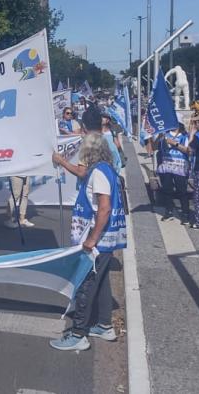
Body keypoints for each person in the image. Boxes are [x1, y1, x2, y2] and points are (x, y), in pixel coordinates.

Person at [49, 105, 127, 352]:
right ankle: (104, 325)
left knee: (86, 284)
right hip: (105, 240)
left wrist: (91, 239)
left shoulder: (98, 174)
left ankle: (79, 333)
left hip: (98, 240)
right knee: (102, 281)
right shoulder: (104, 170)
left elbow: (103, 209)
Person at [155, 123, 191, 224]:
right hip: (166, 166)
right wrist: (160, 138)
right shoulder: (165, 134)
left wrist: (174, 143)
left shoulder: (184, 136)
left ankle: (185, 213)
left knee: (182, 191)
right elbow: (157, 147)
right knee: (167, 190)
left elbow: (188, 150)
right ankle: (169, 211)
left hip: (180, 166)